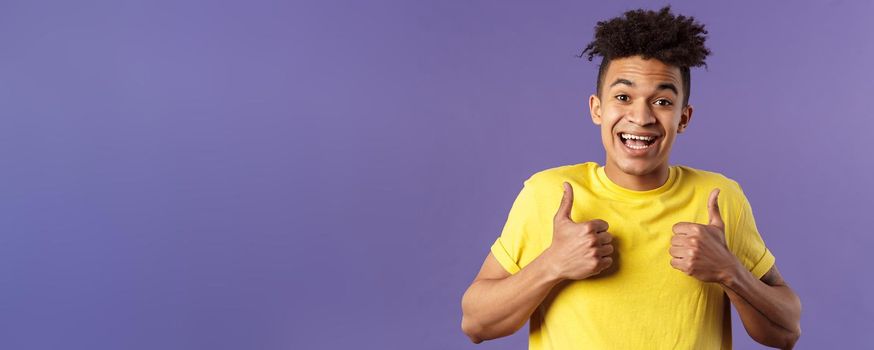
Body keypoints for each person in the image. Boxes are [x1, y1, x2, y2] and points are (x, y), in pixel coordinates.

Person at [460, 6, 802, 349]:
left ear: (683, 118)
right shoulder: (548, 195)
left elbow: (786, 331)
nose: (641, 117)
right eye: (623, 97)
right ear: (597, 108)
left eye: (663, 101)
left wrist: (730, 272)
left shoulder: (719, 199)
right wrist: (552, 264)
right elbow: (476, 323)